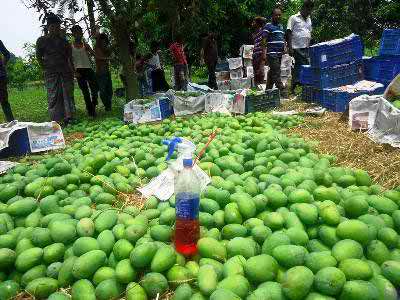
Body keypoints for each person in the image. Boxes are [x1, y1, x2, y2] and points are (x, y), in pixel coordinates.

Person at [36, 14, 75, 125]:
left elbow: (69, 57)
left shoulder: (64, 41)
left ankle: (69, 117)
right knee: (53, 96)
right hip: (50, 72)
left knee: (67, 95)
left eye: (58, 26)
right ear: (48, 27)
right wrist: (44, 67)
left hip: (65, 71)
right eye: (53, 26)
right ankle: (56, 120)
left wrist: (72, 71)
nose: (56, 29)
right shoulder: (41, 40)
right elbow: (39, 56)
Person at [287, 0, 314, 95]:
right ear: (303, 8)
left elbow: (309, 32)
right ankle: (298, 86)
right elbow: (289, 32)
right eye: (307, 10)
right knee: (302, 66)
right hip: (296, 47)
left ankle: (297, 86)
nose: (308, 12)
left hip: (306, 47)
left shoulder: (309, 19)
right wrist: (289, 47)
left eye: (310, 11)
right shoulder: (293, 18)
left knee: (300, 67)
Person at [71, 25, 98, 117]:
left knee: (95, 89)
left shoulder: (85, 45)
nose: (79, 34)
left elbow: (94, 55)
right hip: (79, 71)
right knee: (85, 92)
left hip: (88, 69)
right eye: (77, 33)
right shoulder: (70, 47)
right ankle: (91, 112)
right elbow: (69, 60)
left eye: (80, 32)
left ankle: (93, 104)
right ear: (73, 34)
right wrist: (74, 72)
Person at [264, 7, 285, 93]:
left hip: (279, 53)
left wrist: (285, 46)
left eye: (280, 15)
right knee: (276, 71)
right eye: (276, 15)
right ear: (272, 16)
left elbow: (282, 38)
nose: (278, 16)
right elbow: (264, 40)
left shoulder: (281, 26)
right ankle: (282, 90)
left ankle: (268, 90)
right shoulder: (268, 26)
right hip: (272, 53)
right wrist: (264, 54)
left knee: (272, 71)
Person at [94, 33, 113, 111]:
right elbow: (98, 57)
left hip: (106, 72)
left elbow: (109, 52)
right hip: (100, 73)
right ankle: (107, 106)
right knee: (102, 91)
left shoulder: (106, 50)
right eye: (102, 42)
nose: (104, 44)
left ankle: (108, 105)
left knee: (110, 91)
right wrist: (109, 58)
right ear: (100, 42)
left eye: (105, 42)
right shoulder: (97, 48)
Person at [0, 40, 14, 122]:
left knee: (4, 101)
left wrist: (2, 66)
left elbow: (7, 54)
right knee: (4, 101)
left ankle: (11, 123)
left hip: (0, 76)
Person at [252, 17, 267, 86]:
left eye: (254, 22)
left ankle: (261, 87)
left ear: (258, 24)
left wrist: (263, 56)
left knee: (261, 72)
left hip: (260, 55)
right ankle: (256, 88)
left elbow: (264, 20)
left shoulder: (263, 31)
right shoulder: (255, 34)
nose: (252, 24)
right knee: (256, 74)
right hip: (255, 56)